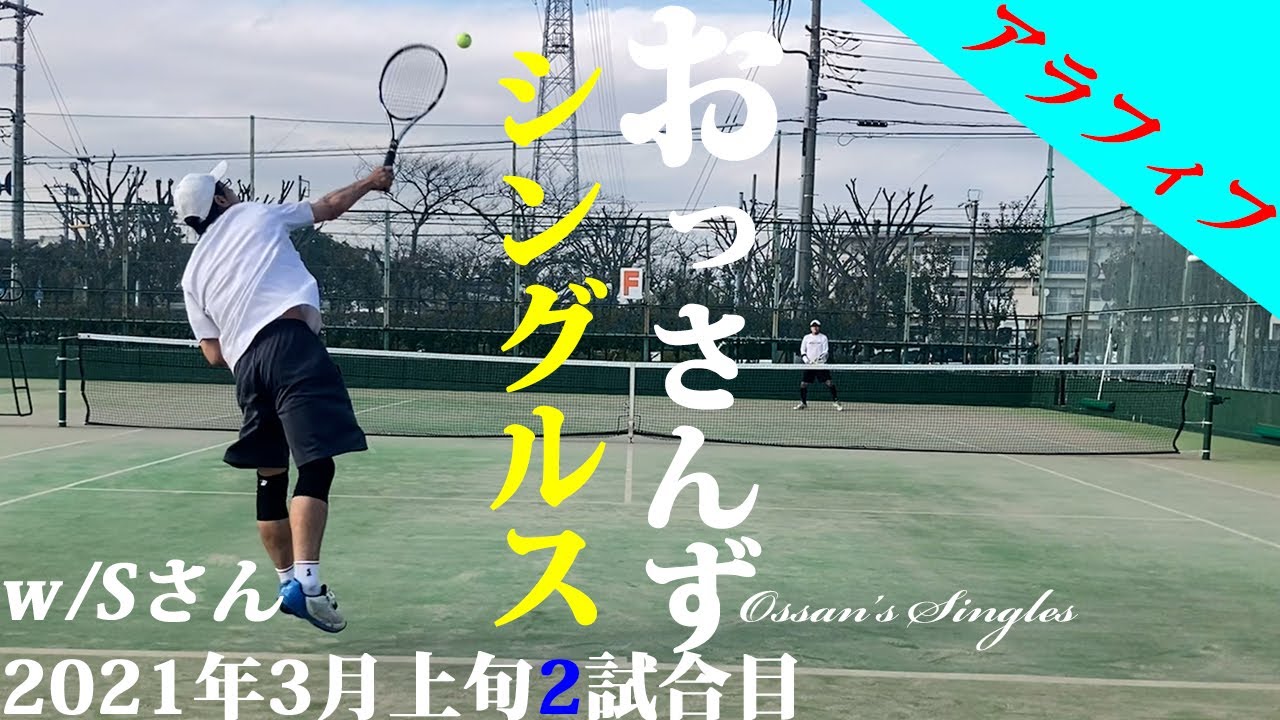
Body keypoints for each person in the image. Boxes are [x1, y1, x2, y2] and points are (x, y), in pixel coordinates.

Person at [174, 161, 394, 633]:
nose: (233, 192)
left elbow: (212, 353)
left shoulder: (192, 275)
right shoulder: (253, 213)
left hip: (246, 370)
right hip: (291, 348)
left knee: (270, 477)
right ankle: (310, 589)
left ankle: (286, 581)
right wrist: (371, 182)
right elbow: (328, 207)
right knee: (316, 465)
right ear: (220, 200)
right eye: (226, 187)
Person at [794, 319, 842, 411]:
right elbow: (803, 351)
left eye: (817, 326)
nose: (815, 328)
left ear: (819, 328)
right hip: (809, 366)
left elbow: (825, 351)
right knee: (803, 384)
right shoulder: (806, 338)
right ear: (811, 328)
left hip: (821, 365)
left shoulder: (823, 338)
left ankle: (836, 401)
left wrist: (819, 360)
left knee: (829, 383)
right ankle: (803, 403)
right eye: (813, 326)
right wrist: (807, 361)